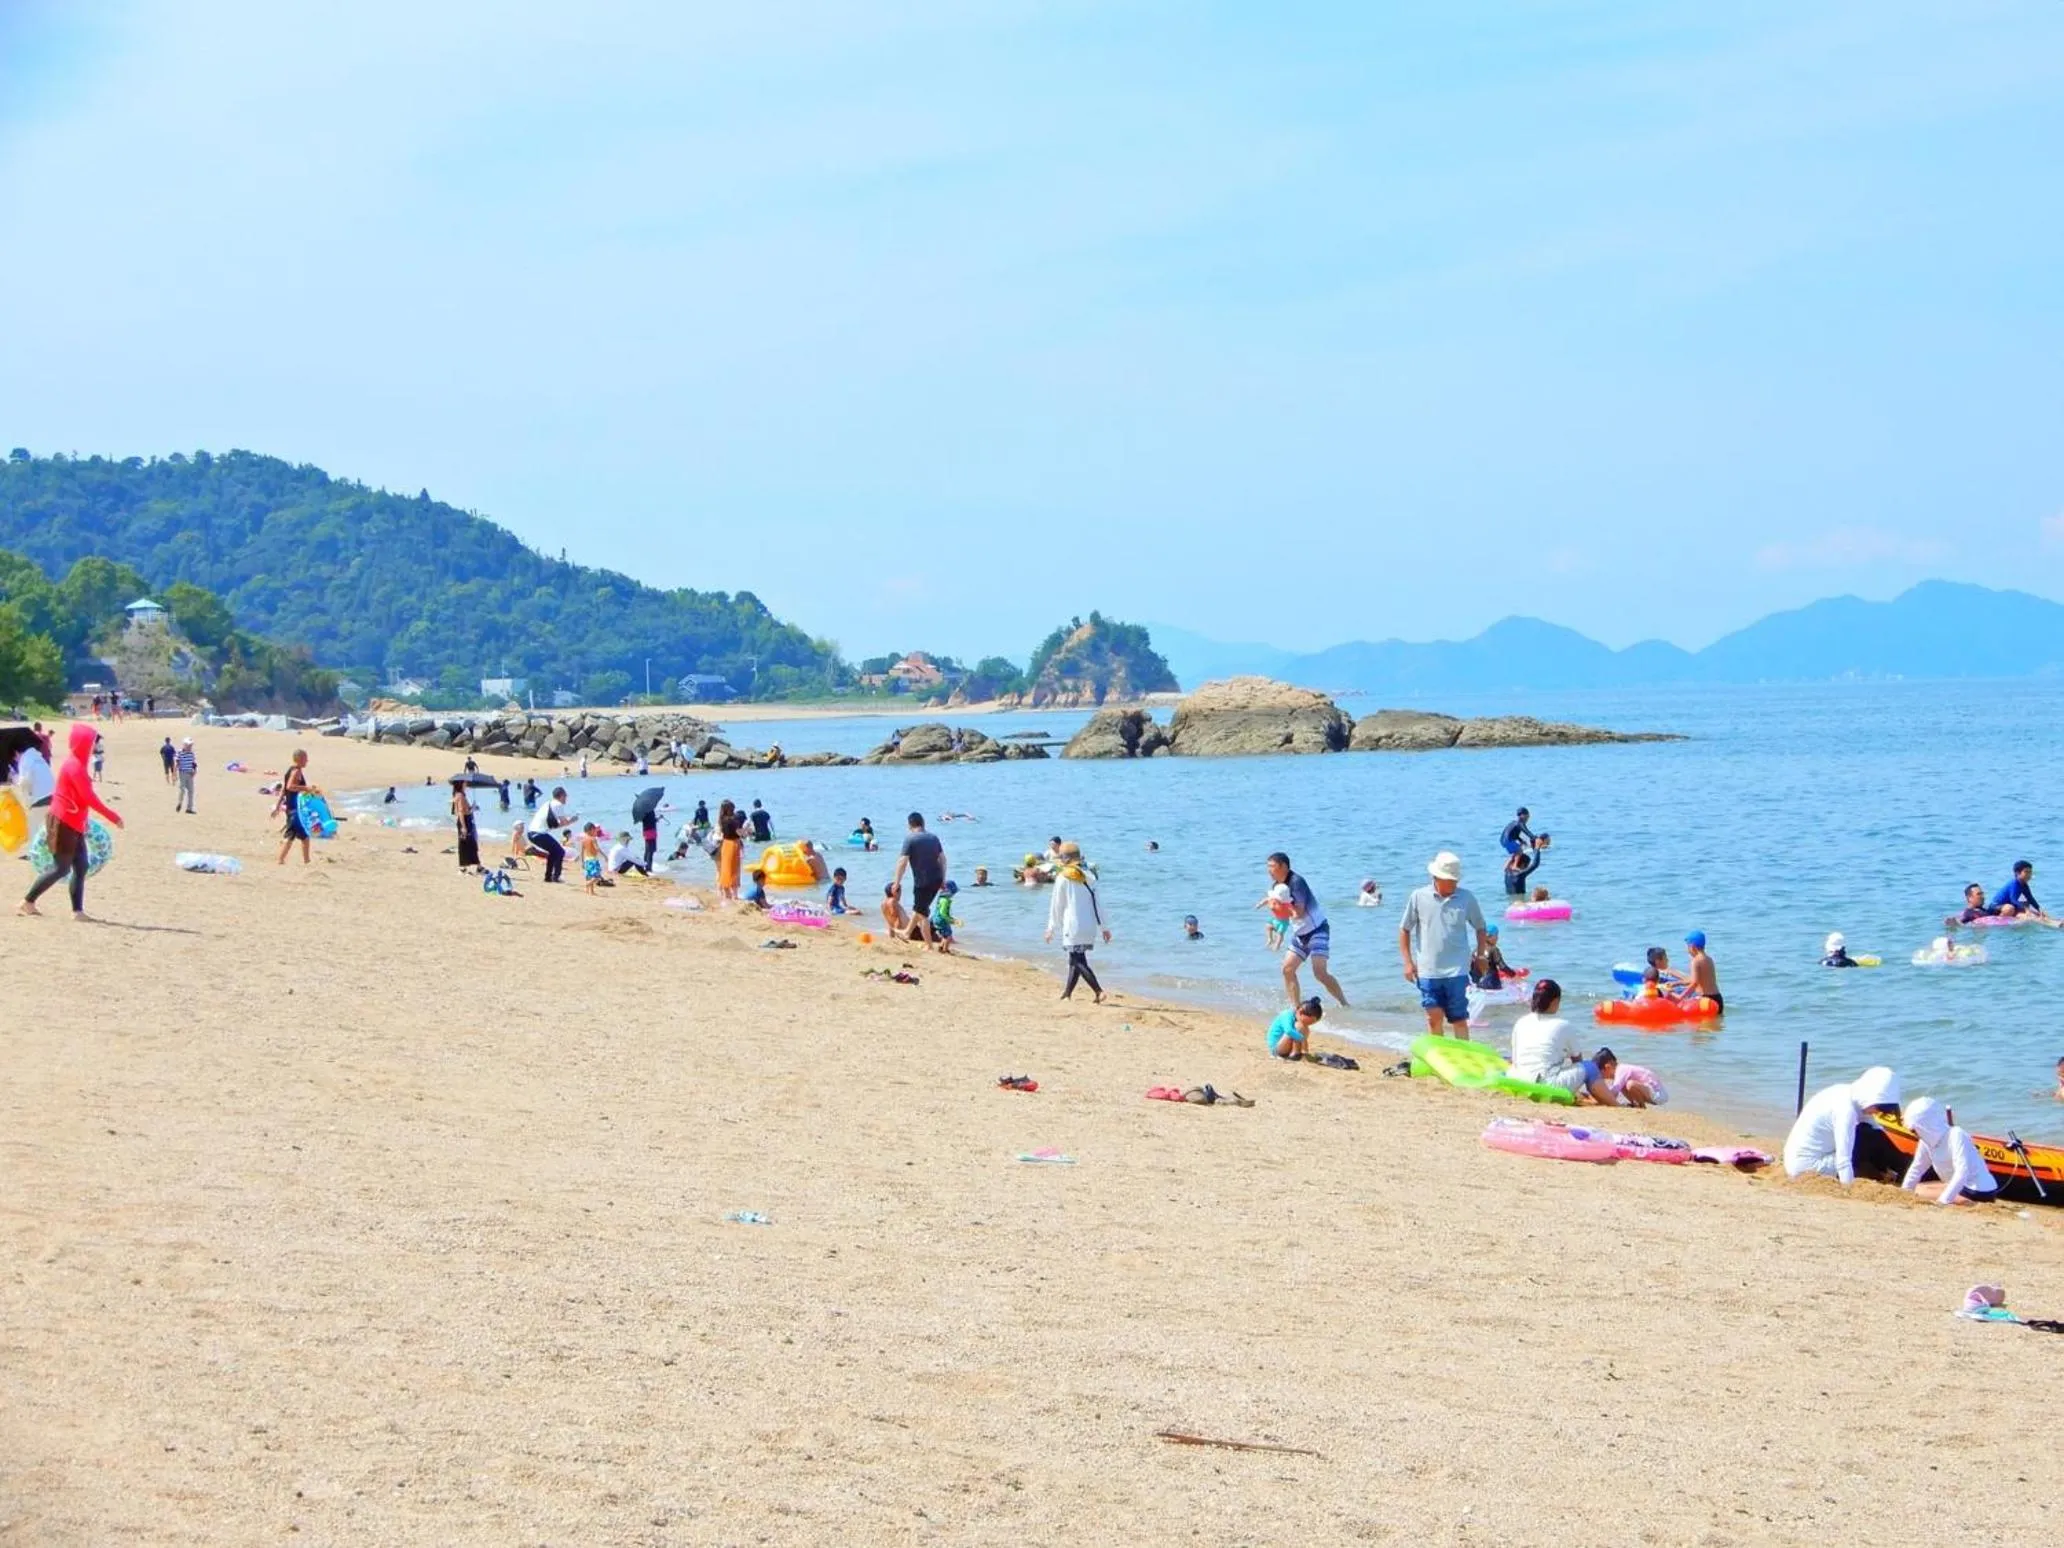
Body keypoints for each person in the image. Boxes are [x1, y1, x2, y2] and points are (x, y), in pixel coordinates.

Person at [19, 723, 124, 920]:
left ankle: (77, 911)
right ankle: (28, 901)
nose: (95, 746)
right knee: (61, 868)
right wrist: (113, 817)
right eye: (93, 743)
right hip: (63, 822)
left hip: (75, 823)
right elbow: (88, 798)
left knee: (81, 865)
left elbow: (81, 799)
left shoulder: (78, 764)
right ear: (84, 744)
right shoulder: (74, 767)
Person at [1398, 851, 1488, 1036]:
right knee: (1433, 1017)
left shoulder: (1466, 898)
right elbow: (1404, 929)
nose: (1454, 884)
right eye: (1450, 880)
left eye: (1455, 880)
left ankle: (1463, 1059)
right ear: (1436, 877)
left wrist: (1481, 955)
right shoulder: (1418, 897)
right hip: (1428, 970)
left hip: (1458, 969)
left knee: (1459, 1018)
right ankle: (1438, 1059)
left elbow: (1480, 927)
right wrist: (1408, 962)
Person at [1782, 1066, 1905, 1185]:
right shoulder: (1846, 1111)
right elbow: (1843, 1160)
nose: (1878, 1112)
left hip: (1798, 1158)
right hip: (1807, 1167)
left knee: (1871, 1136)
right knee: (1866, 1139)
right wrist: (1848, 1190)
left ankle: (1898, 1171)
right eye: (1878, 1107)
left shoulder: (1849, 1093)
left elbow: (1878, 1132)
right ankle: (1902, 1174)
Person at [1508, 980, 1616, 1102]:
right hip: (1542, 1089)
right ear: (1555, 1002)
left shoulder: (1521, 1022)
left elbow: (1515, 1059)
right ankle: (1615, 1104)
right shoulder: (1563, 1025)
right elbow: (1577, 1061)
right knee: (1590, 1067)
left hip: (1518, 1084)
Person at [1268, 851, 1348, 1008]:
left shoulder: (1296, 882)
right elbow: (1282, 915)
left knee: (1320, 973)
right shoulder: (1277, 887)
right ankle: (1296, 1009)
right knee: (1287, 969)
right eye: (1267, 867)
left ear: (1283, 866)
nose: (1268, 871)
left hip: (1317, 930)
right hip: (1300, 933)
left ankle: (1344, 1004)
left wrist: (1283, 906)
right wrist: (1276, 928)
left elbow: (1299, 912)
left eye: (1272, 867)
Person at [1897, 1096, 2000, 1205]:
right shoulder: (1926, 1141)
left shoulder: (1956, 1134)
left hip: (1979, 1191)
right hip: (1962, 1187)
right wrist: (1904, 1194)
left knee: (1919, 1191)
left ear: (1924, 1126)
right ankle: (1960, 1200)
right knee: (1920, 1187)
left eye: (1914, 1130)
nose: (1915, 1134)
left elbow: (1962, 1172)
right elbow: (1916, 1169)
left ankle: (1968, 1203)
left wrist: (1943, 1201)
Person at [1045, 842, 1109, 1001]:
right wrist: (1104, 927)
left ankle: (1098, 991)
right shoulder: (1090, 877)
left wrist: (1051, 927)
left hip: (1073, 925)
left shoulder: (1063, 877)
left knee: (1077, 960)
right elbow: (1098, 904)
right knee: (1076, 959)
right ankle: (1067, 994)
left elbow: (1057, 905)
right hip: (1089, 925)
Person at [890, 812, 947, 947]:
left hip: (923, 881)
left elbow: (902, 862)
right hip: (937, 879)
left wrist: (896, 882)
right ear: (923, 823)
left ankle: (928, 945)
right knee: (920, 908)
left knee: (922, 913)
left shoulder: (911, 839)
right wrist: (943, 879)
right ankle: (907, 932)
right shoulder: (934, 838)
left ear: (910, 825)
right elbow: (943, 860)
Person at [274, 750, 321, 866]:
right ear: (299, 759)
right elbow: (290, 787)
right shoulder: (296, 771)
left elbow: (284, 789)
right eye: (305, 758)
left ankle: (306, 860)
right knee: (292, 835)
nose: (307, 761)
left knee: (303, 835)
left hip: (292, 808)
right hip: (295, 809)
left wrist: (278, 805)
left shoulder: (291, 770)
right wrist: (307, 788)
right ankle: (281, 859)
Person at [526, 786, 577, 883]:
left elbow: (555, 825)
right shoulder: (558, 804)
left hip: (533, 833)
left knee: (554, 852)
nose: (566, 798)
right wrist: (572, 820)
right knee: (560, 852)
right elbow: (564, 822)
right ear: (561, 796)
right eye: (565, 796)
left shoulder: (549, 804)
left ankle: (549, 877)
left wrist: (568, 821)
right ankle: (555, 877)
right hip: (538, 833)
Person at [1599, 1053, 1667, 1108]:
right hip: (1650, 1091)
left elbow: (1614, 1092)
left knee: (1630, 1084)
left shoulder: (1621, 1069)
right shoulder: (1621, 1070)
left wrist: (1601, 1100)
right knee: (1624, 1085)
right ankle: (1635, 1104)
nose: (1601, 1076)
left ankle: (1640, 1106)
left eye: (1600, 1073)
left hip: (1658, 1095)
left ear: (1607, 1067)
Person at [1682, 930, 1721, 1012]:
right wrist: (1676, 983)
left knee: (1704, 1025)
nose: (1687, 950)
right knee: (1716, 1024)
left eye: (1687, 947)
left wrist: (1681, 996)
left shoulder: (1695, 961)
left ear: (1692, 947)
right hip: (1717, 998)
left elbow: (1694, 983)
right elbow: (1700, 979)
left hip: (1705, 1000)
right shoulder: (1709, 959)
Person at [1469, 923, 1516, 989]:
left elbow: (1471, 969)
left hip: (1479, 985)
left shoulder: (1476, 950)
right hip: (1492, 985)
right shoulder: (1493, 949)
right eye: (1496, 935)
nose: (1497, 938)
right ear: (1490, 936)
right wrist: (1514, 975)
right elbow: (1502, 967)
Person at [451, 779, 480, 871]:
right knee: (466, 844)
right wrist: (463, 827)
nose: (466, 784)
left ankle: (478, 866)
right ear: (461, 784)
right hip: (464, 822)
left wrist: (472, 808)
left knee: (471, 844)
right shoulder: (460, 796)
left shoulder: (461, 795)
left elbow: (466, 810)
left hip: (466, 821)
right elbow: (460, 812)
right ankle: (464, 867)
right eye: (464, 783)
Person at [715, 814, 742, 901]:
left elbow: (719, 835)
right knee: (734, 870)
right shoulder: (732, 822)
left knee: (723, 870)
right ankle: (734, 895)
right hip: (731, 845)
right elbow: (740, 833)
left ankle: (725, 893)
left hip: (723, 845)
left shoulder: (721, 821)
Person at [1256, 884, 1292, 951]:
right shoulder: (1271, 899)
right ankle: (1270, 939)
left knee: (1280, 934)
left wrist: (1296, 917)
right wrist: (1260, 905)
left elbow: (1292, 911)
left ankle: (1277, 946)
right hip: (1275, 919)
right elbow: (1265, 900)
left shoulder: (1286, 904)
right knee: (1268, 926)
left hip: (1283, 922)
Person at [930, 880, 959, 952]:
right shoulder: (945, 901)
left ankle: (941, 947)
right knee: (948, 936)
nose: (953, 895)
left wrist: (951, 919)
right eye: (953, 893)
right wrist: (950, 920)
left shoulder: (941, 898)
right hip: (941, 920)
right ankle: (945, 950)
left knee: (944, 935)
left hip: (936, 919)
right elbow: (942, 913)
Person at [173, 737, 198, 814]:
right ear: (184, 745)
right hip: (182, 773)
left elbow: (194, 764)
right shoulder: (180, 752)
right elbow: (176, 763)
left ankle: (189, 808)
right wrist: (175, 773)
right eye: (189, 745)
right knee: (182, 789)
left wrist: (194, 771)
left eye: (191, 745)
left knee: (191, 791)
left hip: (190, 773)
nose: (190, 747)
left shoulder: (192, 753)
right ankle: (180, 803)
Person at [579, 825, 604, 895]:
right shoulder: (593, 839)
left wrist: (582, 862)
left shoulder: (583, 840)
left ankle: (590, 891)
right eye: (594, 830)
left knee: (589, 876)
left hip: (587, 860)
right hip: (593, 860)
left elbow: (581, 852)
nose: (595, 831)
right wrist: (605, 856)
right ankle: (587, 884)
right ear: (590, 830)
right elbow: (597, 848)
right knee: (597, 876)